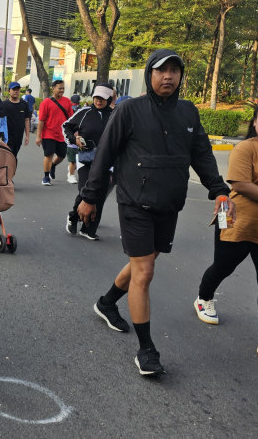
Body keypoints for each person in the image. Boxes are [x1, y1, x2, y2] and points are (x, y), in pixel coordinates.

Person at [77, 49, 234, 376]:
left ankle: (107, 302)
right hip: (134, 200)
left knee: (143, 263)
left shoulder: (188, 113)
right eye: (162, 70)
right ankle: (147, 350)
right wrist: (89, 197)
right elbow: (104, 153)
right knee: (145, 271)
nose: (168, 76)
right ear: (150, 74)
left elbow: (202, 154)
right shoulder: (130, 110)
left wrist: (218, 190)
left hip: (169, 203)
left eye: (175, 71)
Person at [195, 97, 258, 362]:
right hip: (236, 220)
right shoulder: (245, 148)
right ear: (255, 120)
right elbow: (241, 184)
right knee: (223, 266)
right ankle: (204, 298)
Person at [64, 84, 115, 240]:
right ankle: (73, 217)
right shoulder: (84, 112)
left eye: (103, 98)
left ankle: (88, 229)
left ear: (109, 99)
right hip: (85, 159)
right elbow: (66, 127)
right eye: (97, 98)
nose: (99, 101)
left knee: (99, 193)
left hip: (107, 161)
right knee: (85, 190)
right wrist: (75, 139)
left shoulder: (115, 115)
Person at [36, 80, 72, 186]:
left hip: (62, 135)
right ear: (53, 89)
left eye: (63, 88)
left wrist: (74, 132)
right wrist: (38, 136)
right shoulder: (46, 102)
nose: (62, 90)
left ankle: (53, 165)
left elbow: (71, 118)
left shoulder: (67, 101)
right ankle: (46, 177)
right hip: (48, 133)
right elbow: (41, 120)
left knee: (62, 155)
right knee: (49, 154)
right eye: (59, 88)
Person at [5, 81, 32, 159]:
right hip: (7, 137)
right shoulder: (4, 104)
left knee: (14, 156)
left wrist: (27, 136)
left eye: (18, 89)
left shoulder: (24, 104)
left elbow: (27, 120)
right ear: (9, 91)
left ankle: (12, 171)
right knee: (8, 157)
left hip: (18, 137)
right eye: (14, 89)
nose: (16, 91)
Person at [65, 93, 83, 184]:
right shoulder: (79, 109)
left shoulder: (80, 110)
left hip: (77, 137)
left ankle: (71, 173)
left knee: (76, 160)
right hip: (74, 138)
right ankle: (71, 175)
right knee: (74, 160)